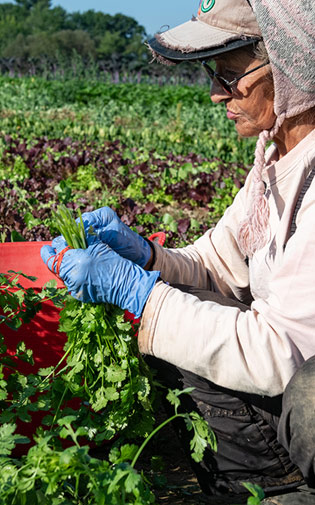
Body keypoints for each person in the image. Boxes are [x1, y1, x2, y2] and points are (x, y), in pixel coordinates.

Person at [41, 0, 315, 503]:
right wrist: (145, 258)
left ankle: (284, 491)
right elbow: (218, 264)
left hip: (306, 394)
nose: (216, 94)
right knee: (183, 313)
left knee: (310, 391)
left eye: (231, 76)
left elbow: (281, 355)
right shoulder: (280, 154)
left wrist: (143, 297)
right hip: (291, 379)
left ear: (294, 62)